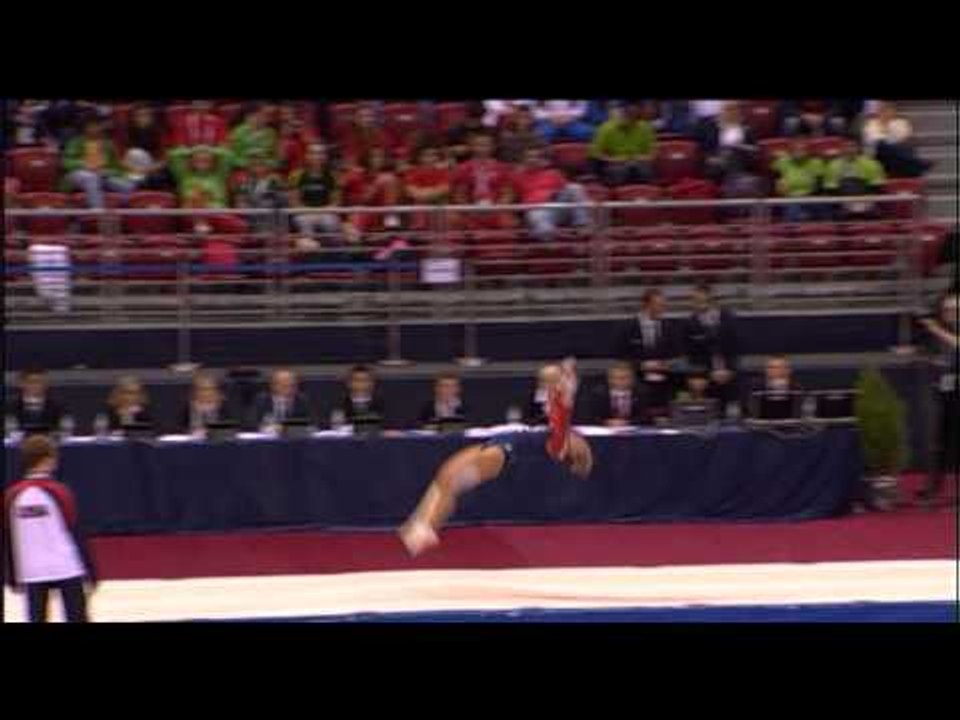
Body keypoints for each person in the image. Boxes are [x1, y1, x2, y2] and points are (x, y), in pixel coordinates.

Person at [399, 359, 591, 556]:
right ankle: (418, 522)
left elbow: (564, 409)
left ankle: (426, 532)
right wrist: (564, 376)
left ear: (574, 453)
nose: (579, 439)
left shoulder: (559, 444)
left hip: (501, 454)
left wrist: (568, 381)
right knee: (445, 473)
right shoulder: (557, 431)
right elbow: (557, 400)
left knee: (452, 484)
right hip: (495, 444)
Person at [4, 434, 97, 623]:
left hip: (32, 570)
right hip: (66, 567)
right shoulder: (59, 492)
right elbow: (75, 532)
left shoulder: (12, 496)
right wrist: (90, 571)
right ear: (48, 459)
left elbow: (8, 540)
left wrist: (12, 575)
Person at [916, 293, 959, 508]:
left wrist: (935, 329)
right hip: (942, 391)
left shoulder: (943, 332)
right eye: (947, 310)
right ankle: (933, 488)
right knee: (937, 442)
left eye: (954, 310)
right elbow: (931, 356)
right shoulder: (940, 333)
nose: (950, 314)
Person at [512, 147, 591, 241]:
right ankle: (548, 237)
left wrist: (555, 194)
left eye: (536, 157)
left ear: (542, 160)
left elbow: (569, 193)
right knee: (545, 231)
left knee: (575, 188)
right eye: (529, 157)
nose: (533, 159)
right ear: (524, 160)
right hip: (536, 210)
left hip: (556, 208)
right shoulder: (517, 176)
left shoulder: (553, 173)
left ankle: (582, 225)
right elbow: (508, 196)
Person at [621, 289, 679, 418]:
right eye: (659, 305)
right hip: (638, 383)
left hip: (665, 384)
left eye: (664, 305)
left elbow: (676, 355)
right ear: (646, 305)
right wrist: (641, 365)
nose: (662, 309)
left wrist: (667, 365)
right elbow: (622, 357)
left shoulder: (669, 327)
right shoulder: (628, 327)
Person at [683, 284, 741, 413]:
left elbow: (736, 347)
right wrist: (707, 374)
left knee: (732, 416)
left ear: (711, 299)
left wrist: (730, 370)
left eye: (703, 300)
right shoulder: (689, 323)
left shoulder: (728, 317)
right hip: (705, 380)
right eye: (696, 301)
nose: (699, 304)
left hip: (730, 377)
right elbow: (691, 355)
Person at [61, 118, 136, 208]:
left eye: (97, 126)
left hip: (102, 175)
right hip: (78, 174)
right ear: (85, 128)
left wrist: (107, 172)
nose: (94, 129)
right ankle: (98, 215)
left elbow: (117, 168)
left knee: (128, 186)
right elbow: (66, 162)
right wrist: (85, 164)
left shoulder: (108, 144)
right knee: (91, 178)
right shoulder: (76, 142)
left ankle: (117, 214)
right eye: (91, 126)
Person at [450, 132, 516, 230]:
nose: (482, 148)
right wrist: (472, 210)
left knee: (507, 222)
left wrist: (495, 208)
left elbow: (508, 193)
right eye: (478, 145)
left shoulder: (502, 168)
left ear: (493, 147)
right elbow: (459, 194)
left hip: (497, 210)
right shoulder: (463, 168)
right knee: (456, 220)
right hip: (470, 210)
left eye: (485, 145)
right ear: (472, 147)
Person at [288, 143, 345, 247]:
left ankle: (332, 255)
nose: (317, 156)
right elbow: (294, 203)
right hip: (304, 213)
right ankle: (310, 252)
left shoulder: (333, 176)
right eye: (313, 153)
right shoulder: (296, 175)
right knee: (305, 223)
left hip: (325, 212)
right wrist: (311, 213)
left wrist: (321, 212)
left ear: (325, 157)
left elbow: (336, 202)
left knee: (330, 222)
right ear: (307, 156)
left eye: (320, 153)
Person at [589, 101, 657, 186]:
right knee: (621, 171)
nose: (630, 116)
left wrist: (639, 158)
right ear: (622, 112)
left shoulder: (646, 128)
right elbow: (595, 155)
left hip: (637, 164)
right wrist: (614, 160)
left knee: (644, 170)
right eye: (627, 113)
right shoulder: (606, 128)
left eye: (634, 114)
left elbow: (652, 154)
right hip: (615, 166)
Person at [861, 101, 931, 178]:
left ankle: (914, 165)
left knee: (904, 147)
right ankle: (918, 164)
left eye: (889, 110)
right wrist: (891, 136)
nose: (886, 112)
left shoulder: (902, 122)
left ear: (894, 111)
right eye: (883, 110)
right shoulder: (871, 124)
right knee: (882, 145)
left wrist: (888, 133)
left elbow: (905, 138)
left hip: (897, 156)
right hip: (879, 157)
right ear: (878, 111)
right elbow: (874, 140)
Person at [821, 140, 886, 220]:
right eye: (846, 146)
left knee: (877, 214)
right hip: (842, 202)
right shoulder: (833, 166)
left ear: (858, 148)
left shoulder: (872, 164)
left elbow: (877, 188)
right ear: (841, 149)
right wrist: (846, 203)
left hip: (867, 201)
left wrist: (865, 203)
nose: (849, 149)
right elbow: (831, 190)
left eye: (853, 146)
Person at [772, 139, 825, 222]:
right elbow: (776, 180)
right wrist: (781, 188)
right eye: (796, 150)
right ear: (790, 151)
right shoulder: (782, 161)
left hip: (811, 196)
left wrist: (810, 195)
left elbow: (820, 185)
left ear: (808, 151)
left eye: (802, 149)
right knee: (792, 212)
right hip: (790, 197)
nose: (799, 152)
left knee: (822, 208)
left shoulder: (815, 162)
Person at [589, 361, 644, 426]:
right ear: (609, 379)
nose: (620, 381)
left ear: (633, 379)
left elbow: (646, 417)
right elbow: (588, 417)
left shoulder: (642, 393)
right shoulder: (596, 394)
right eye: (615, 378)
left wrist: (628, 422)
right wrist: (606, 422)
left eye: (624, 378)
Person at [229, 103, 278, 168]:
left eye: (264, 116)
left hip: (264, 169)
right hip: (244, 169)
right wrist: (247, 163)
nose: (259, 118)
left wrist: (265, 163)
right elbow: (231, 156)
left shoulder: (271, 133)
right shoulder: (238, 132)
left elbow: (275, 158)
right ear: (247, 117)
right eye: (255, 115)